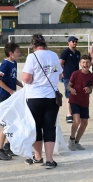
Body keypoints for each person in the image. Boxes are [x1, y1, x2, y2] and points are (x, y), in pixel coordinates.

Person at [23, 34, 63, 169]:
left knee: (36, 127)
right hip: (51, 96)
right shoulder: (54, 55)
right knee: (49, 128)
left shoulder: (32, 56)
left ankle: (38, 156)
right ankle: (50, 160)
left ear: (33, 45)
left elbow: (27, 78)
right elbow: (60, 75)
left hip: (35, 96)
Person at [0, 43, 23, 160]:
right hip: (3, 97)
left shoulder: (14, 63)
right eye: (17, 51)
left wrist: (23, 85)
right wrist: (10, 90)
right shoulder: (5, 64)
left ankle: (7, 146)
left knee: (12, 122)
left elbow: (12, 78)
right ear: (10, 53)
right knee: (6, 124)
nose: (19, 53)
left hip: (11, 97)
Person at [68, 55, 93, 151]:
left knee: (84, 123)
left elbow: (91, 89)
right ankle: (71, 139)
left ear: (91, 64)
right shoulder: (75, 74)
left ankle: (77, 142)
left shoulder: (91, 76)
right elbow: (69, 86)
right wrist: (71, 90)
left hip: (84, 101)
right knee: (77, 120)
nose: (85, 64)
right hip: (74, 100)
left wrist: (89, 89)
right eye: (83, 62)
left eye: (87, 62)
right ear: (80, 64)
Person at [60, 36, 81, 123]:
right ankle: (69, 114)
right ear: (69, 42)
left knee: (76, 94)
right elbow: (60, 63)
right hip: (68, 77)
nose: (74, 43)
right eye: (73, 41)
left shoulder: (78, 53)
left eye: (76, 41)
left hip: (77, 76)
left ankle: (75, 113)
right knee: (69, 95)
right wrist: (62, 73)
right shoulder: (65, 52)